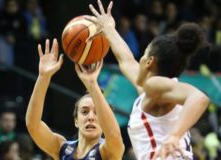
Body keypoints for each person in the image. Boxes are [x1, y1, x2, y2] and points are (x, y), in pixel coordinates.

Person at [85, 1, 210, 159]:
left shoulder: (154, 86)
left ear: (149, 62)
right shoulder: (151, 91)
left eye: (143, 54)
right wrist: (109, 29)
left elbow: (200, 98)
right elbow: (127, 60)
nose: (140, 59)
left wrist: (174, 136)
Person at [25, 39, 124, 160]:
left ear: (104, 121)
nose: (91, 117)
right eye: (84, 111)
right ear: (76, 121)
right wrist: (43, 77)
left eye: (97, 112)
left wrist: (92, 84)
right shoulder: (62, 148)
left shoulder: (108, 151)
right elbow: (32, 125)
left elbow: (114, 134)